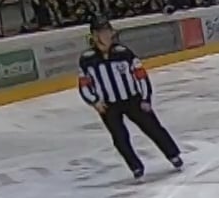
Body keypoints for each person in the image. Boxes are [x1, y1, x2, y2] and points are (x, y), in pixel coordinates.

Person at [77, 18, 183, 181]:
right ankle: (135, 166)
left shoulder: (123, 53)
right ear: (94, 35)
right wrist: (95, 101)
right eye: (102, 32)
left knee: (153, 127)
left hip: (132, 100)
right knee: (119, 138)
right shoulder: (87, 59)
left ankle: (173, 154)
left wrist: (145, 98)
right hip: (108, 105)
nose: (106, 35)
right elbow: (84, 84)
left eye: (108, 31)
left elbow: (141, 76)